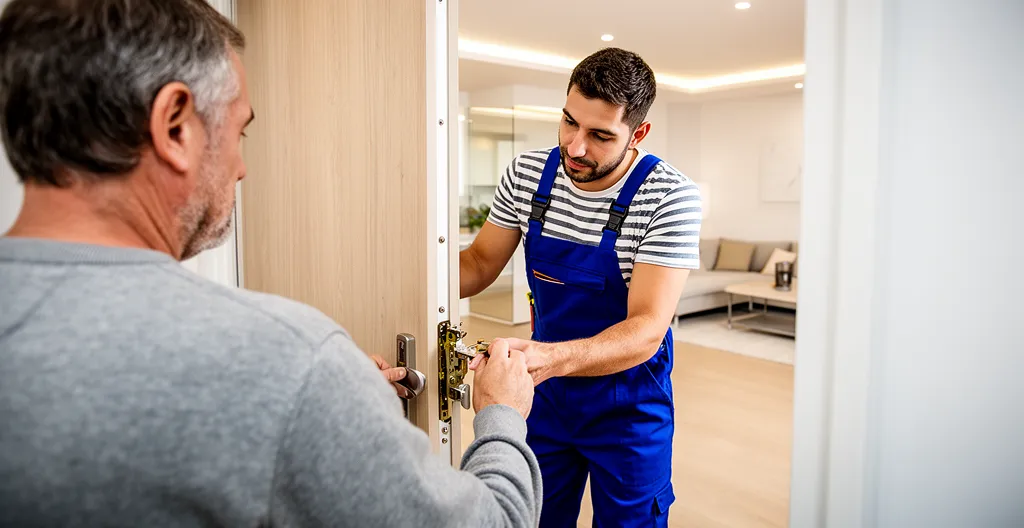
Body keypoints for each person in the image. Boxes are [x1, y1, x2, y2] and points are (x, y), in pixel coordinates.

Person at [0, 1, 541, 526]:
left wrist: (333, 406)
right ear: (175, 125)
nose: (240, 168)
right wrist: (501, 416)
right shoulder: (287, 359)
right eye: (240, 132)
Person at [460, 48, 702, 526]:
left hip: (629, 407)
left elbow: (648, 327)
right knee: (534, 515)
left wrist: (548, 358)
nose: (574, 146)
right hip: (542, 398)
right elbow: (479, 262)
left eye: (599, 135)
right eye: (569, 122)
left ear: (639, 133)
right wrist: (406, 277)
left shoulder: (669, 196)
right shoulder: (528, 174)